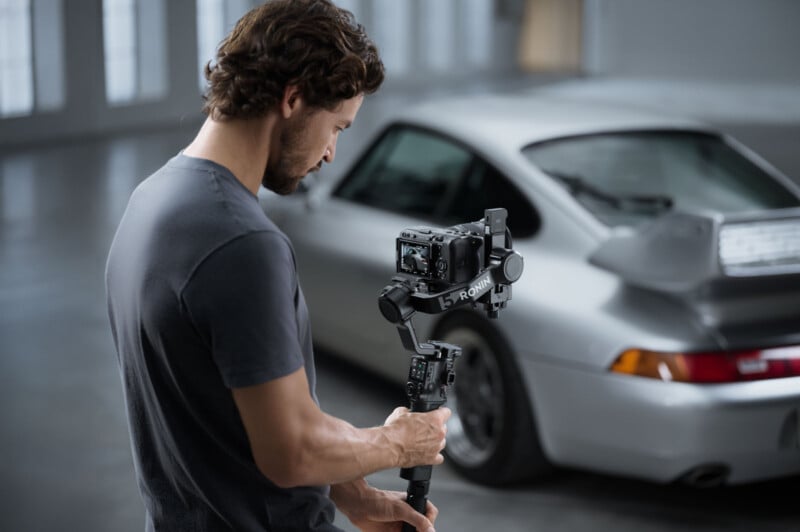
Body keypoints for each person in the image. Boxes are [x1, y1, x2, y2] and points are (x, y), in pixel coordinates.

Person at [105, 1, 450, 531]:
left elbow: (241, 410)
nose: (332, 152)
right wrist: (398, 442)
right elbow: (291, 451)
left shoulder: (152, 200)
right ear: (293, 98)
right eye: (337, 126)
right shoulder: (242, 242)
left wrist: (353, 494)